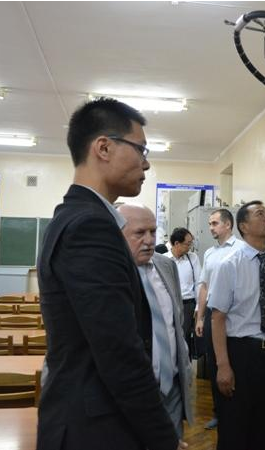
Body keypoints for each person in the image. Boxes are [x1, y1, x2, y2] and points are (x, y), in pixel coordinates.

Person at [36, 97, 185, 450]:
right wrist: (164, 437)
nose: (146, 163)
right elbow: (119, 351)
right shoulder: (91, 225)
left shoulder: (74, 216)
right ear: (103, 147)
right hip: (94, 428)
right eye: (140, 149)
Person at [209, 200, 265, 450]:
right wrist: (223, 366)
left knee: (262, 425)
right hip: (241, 353)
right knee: (234, 427)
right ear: (244, 226)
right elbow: (218, 318)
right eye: (260, 214)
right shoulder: (229, 265)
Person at [119, 204, 194, 438]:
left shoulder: (166, 265)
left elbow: (176, 321)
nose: (149, 240)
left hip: (172, 387)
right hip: (133, 391)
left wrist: (185, 365)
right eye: (139, 233)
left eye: (153, 232)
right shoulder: (110, 273)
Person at [194, 208, 244, 429]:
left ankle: (235, 412)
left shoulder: (242, 250)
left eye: (214, 223)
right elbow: (204, 286)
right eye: (210, 223)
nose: (210, 228)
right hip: (212, 315)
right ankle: (219, 412)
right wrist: (200, 317)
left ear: (228, 224)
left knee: (234, 362)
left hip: (234, 317)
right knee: (215, 364)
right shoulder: (209, 254)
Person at [167, 227, 201, 358]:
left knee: (184, 338)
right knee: (170, 336)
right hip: (169, 304)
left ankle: (185, 366)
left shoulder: (193, 259)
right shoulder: (164, 260)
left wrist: (198, 308)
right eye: (188, 244)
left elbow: (199, 283)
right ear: (177, 243)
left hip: (187, 305)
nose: (190, 247)